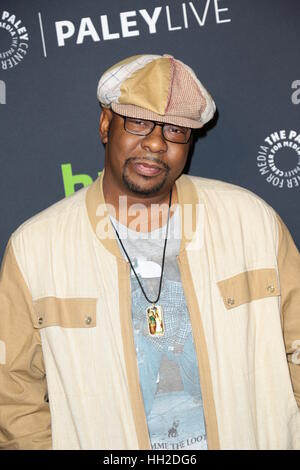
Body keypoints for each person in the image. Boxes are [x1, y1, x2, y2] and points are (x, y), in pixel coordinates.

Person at [0, 53, 299, 450]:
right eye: (138, 121)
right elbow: (13, 392)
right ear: (106, 124)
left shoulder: (252, 222)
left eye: (176, 130)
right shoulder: (37, 247)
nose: (157, 142)